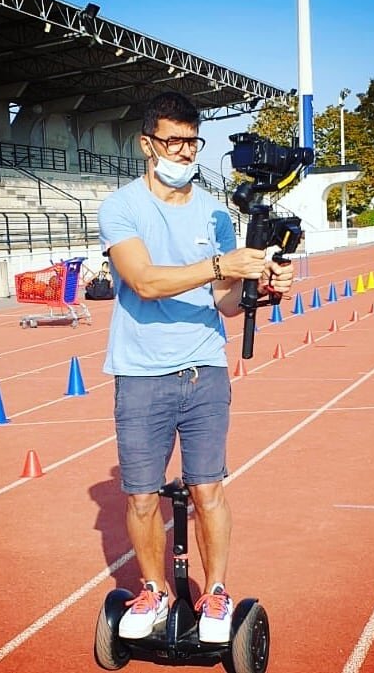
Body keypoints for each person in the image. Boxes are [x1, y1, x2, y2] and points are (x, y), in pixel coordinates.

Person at [97, 91, 294, 644]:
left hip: (204, 368)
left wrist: (264, 289)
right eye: (173, 141)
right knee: (140, 494)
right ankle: (155, 590)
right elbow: (145, 282)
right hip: (140, 372)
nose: (183, 152)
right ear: (147, 143)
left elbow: (227, 302)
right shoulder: (122, 206)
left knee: (208, 489)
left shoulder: (214, 210)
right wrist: (217, 265)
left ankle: (217, 591)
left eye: (191, 142)